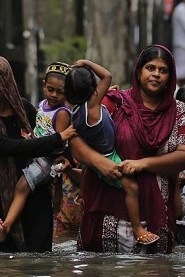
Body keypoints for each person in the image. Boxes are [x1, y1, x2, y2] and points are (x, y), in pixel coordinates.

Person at [69, 45, 185, 254]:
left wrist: (143, 163)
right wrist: (101, 162)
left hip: (157, 209)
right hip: (106, 208)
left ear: (171, 77)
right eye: (150, 68)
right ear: (138, 71)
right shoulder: (114, 102)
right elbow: (74, 138)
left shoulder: (179, 111)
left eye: (163, 70)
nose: (156, 74)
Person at [0, 55, 74, 252]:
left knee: (38, 264)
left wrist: (65, 156)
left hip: (34, 202)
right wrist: (57, 139)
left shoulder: (23, 109)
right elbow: (5, 146)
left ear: (5, 82)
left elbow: (48, 135)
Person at [64, 59, 160, 245]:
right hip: (109, 158)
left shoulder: (76, 111)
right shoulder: (92, 106)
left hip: (98, 156)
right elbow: (107, 75)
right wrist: (87, 63)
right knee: (131, 187)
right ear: (93, 88)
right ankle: (138, 228)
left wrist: (105, 92)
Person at [0, 62, 76, 243]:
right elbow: (40, 129)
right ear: (44, 84)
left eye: (60, 91)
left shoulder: (62, 113)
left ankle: (5, 226)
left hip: (48, 159)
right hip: (37, 152)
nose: (54, 95)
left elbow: (59, 144)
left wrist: (36, 144)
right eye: (50, 89)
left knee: (22, 187)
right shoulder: (42, 104)